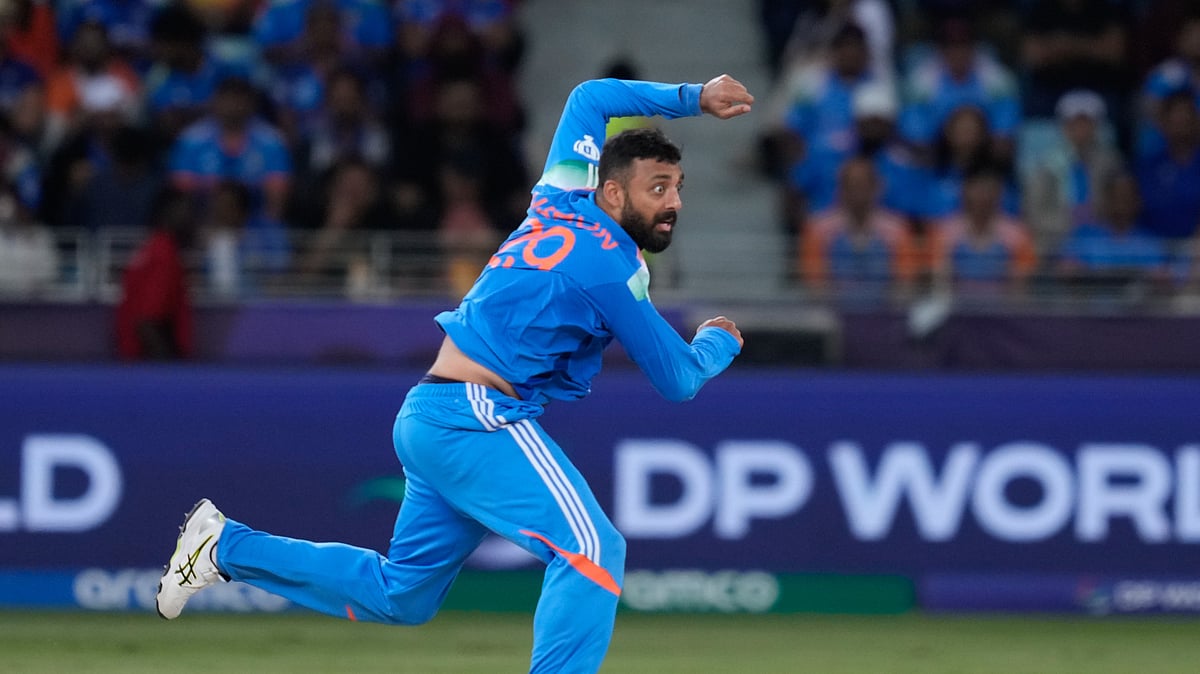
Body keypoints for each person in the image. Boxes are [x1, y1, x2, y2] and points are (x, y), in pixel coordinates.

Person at [155, 74, 751, 673]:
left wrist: (693, 97)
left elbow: (590, 99)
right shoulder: (611, 270)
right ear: (614, 194)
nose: (674, 203)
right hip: (478, 415)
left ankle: (225, 546)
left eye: (677, 187)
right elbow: (679, 380)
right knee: (593, 548)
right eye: (657, 188)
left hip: (429, 414)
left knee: (402, 595)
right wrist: (717, 341)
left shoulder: (559, 195)